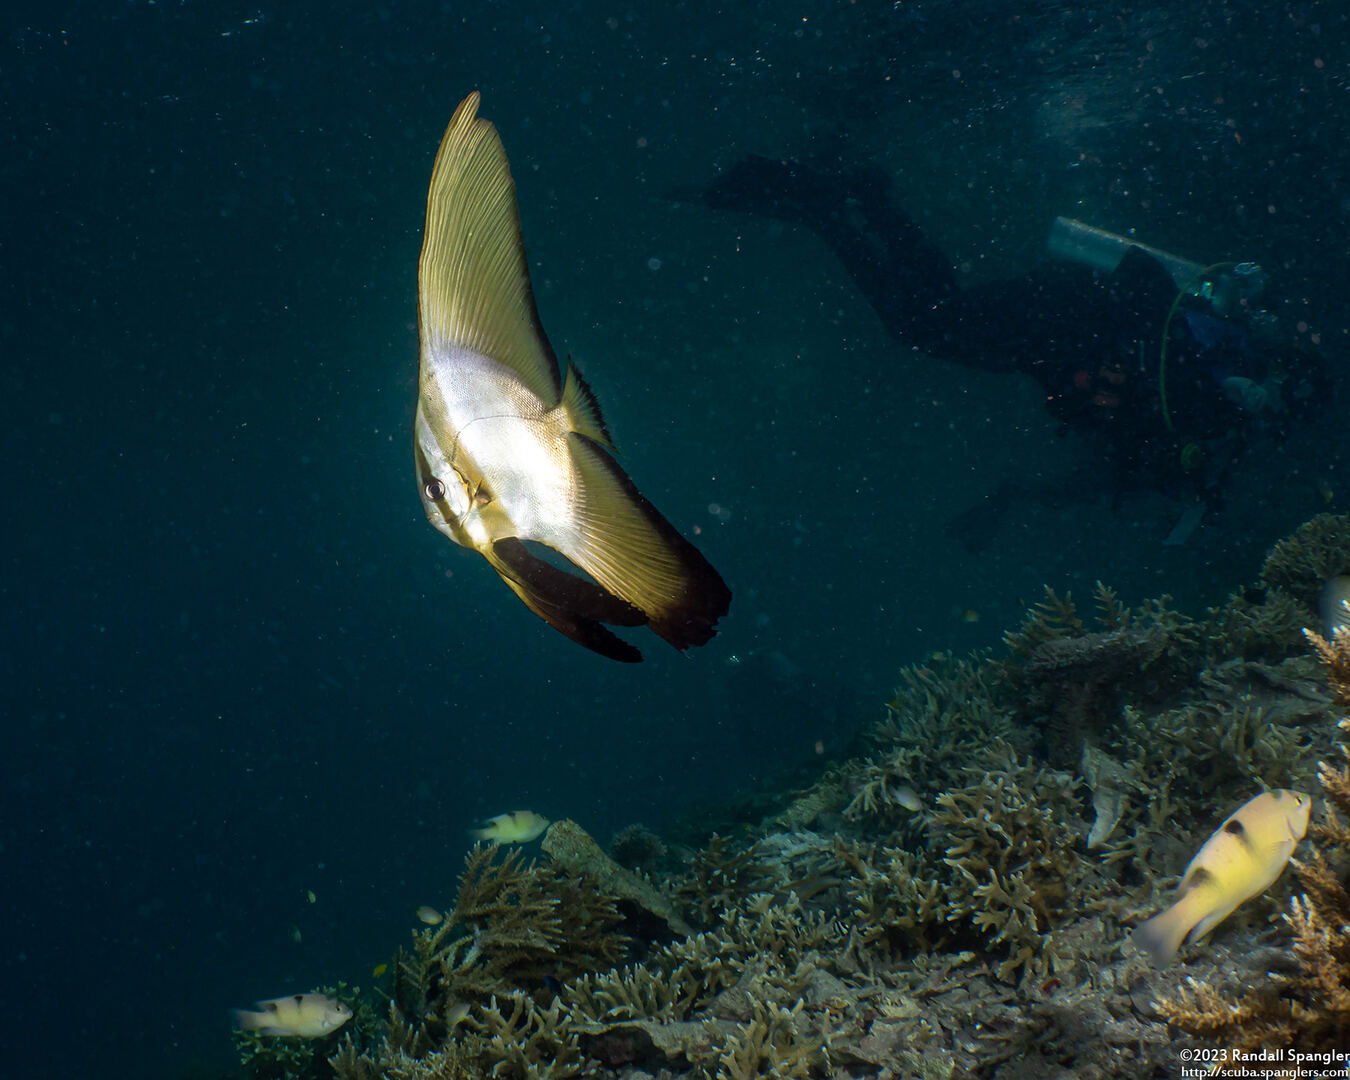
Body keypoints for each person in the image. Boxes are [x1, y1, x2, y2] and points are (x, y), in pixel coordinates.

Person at [695, 156, 1329, 546]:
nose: (1269, 417)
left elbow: (1127, 422)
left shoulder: (1220, 371)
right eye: (1279, 409)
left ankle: (868, 197)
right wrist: (1184, 474)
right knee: (919, 323)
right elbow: (1140, 421)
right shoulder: (1218, 383)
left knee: (940, 306)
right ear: (1277, 389)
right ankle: (830, 212)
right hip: (1055, 326)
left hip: (1058, 320)